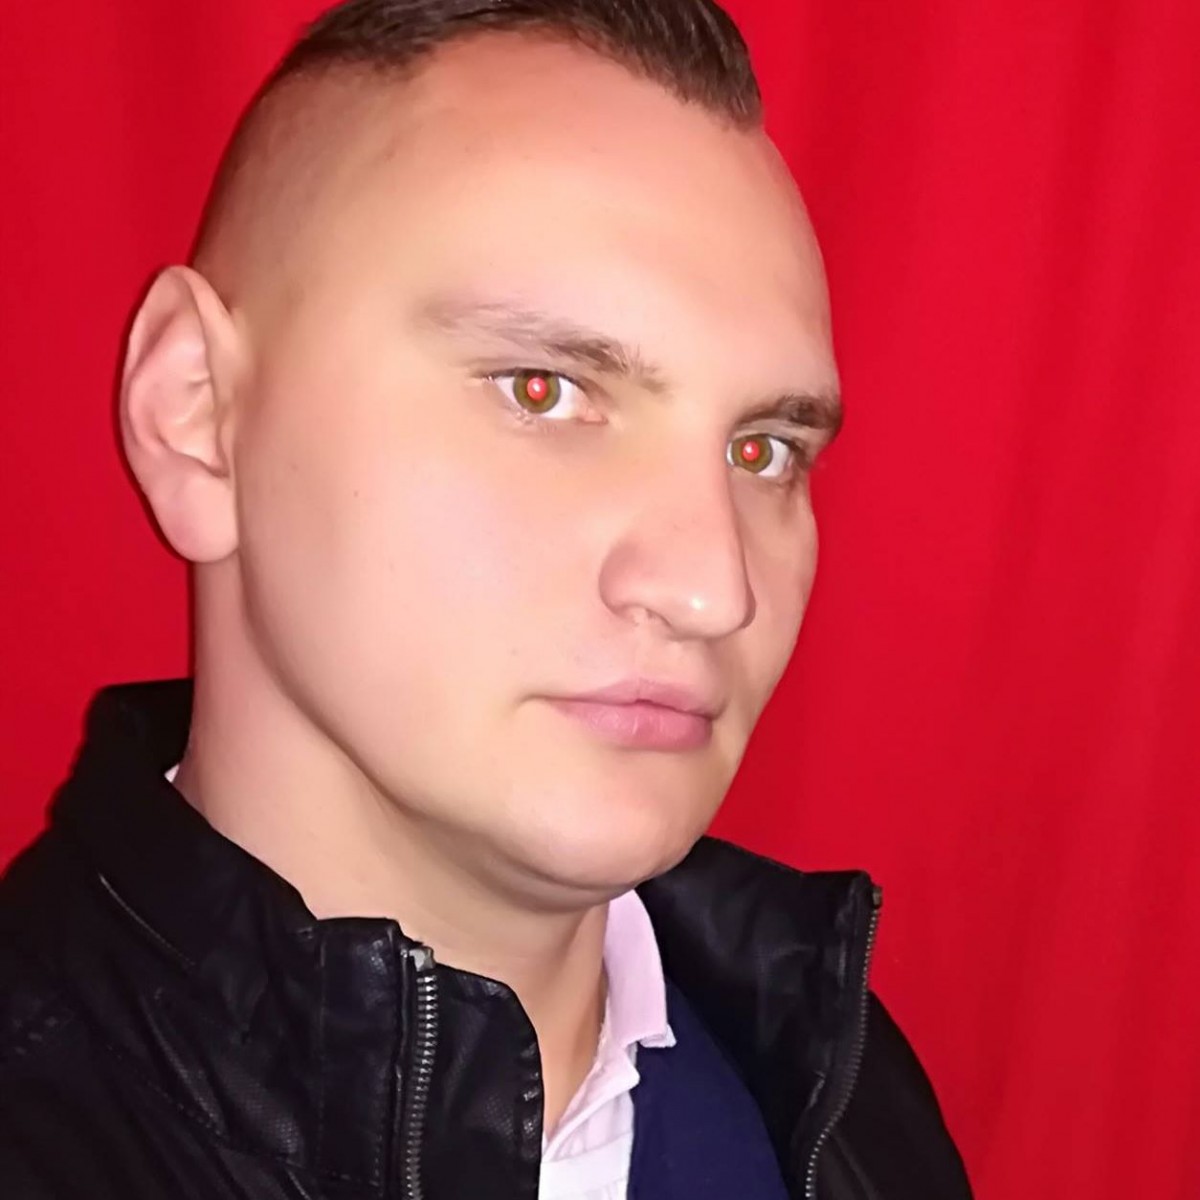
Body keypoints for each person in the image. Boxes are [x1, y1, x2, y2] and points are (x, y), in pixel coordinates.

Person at [0, 1, 973, 1197]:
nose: (711, 588)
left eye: (763, 451)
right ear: (197, 417)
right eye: (542, 390)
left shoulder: (837, 1093)